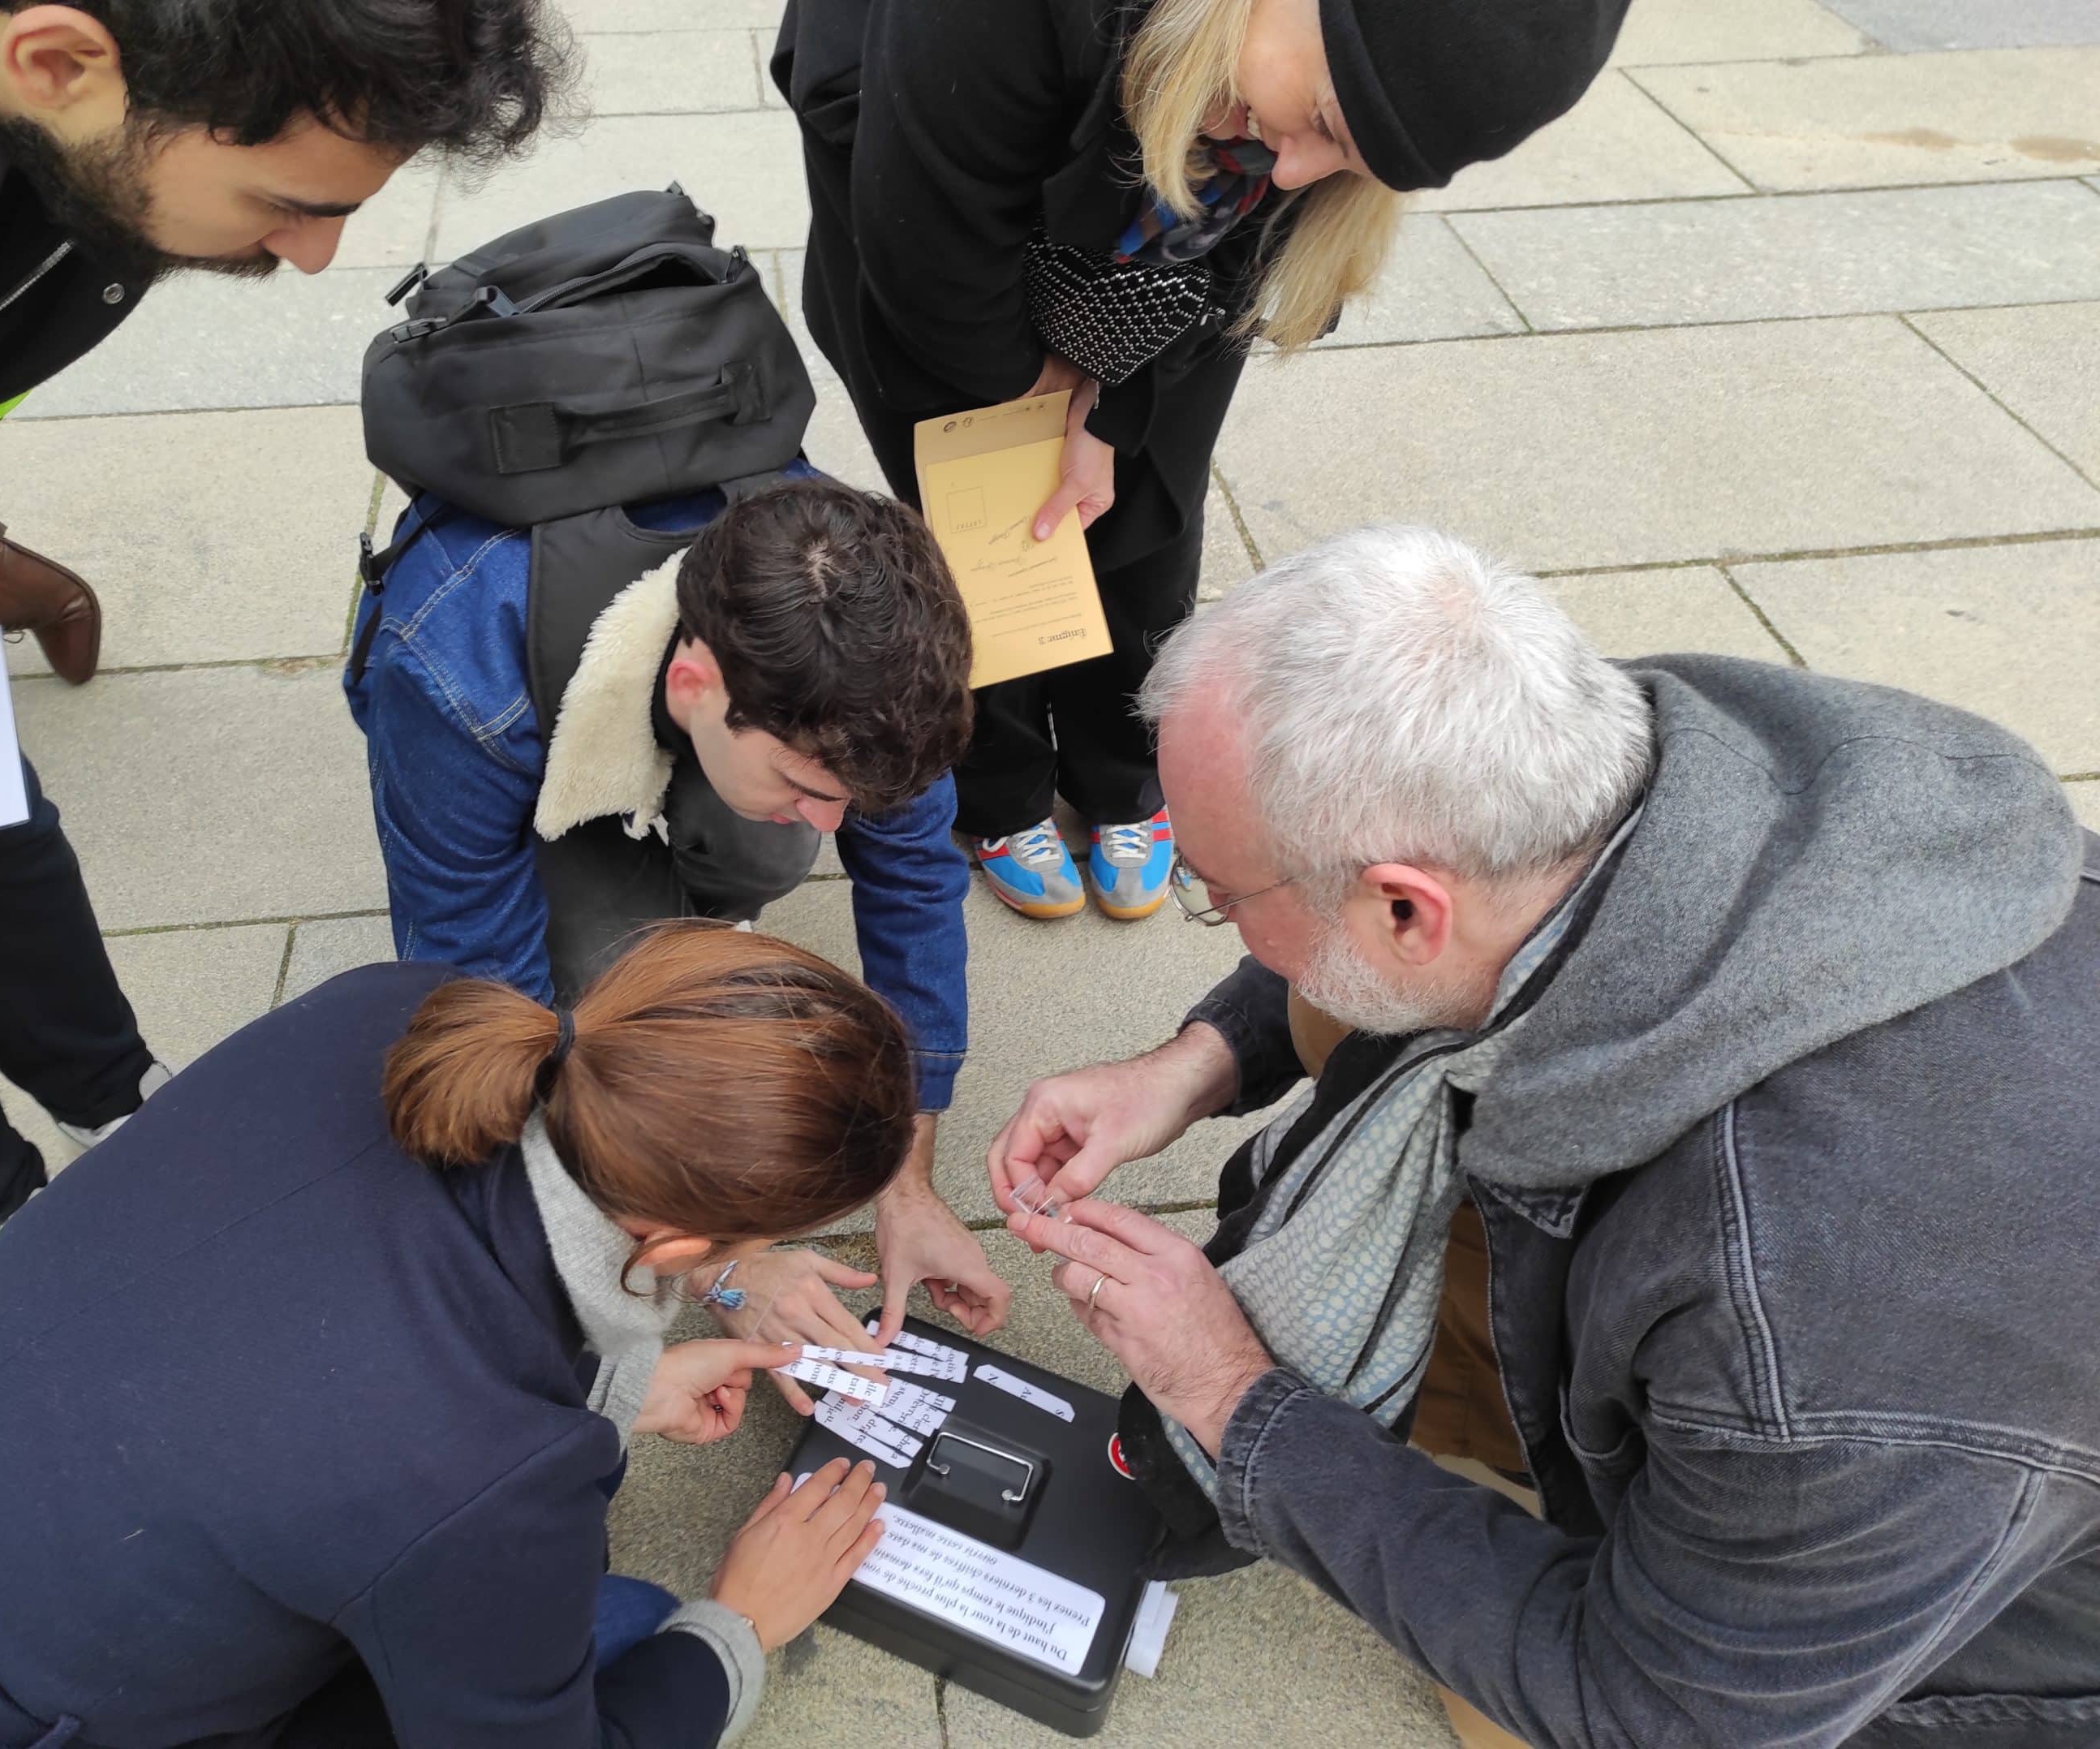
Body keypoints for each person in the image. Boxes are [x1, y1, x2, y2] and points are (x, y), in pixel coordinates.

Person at [988, 528, 2100, 1747]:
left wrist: (1229, 1388)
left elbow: (1648, 1707)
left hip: (1965, 1653)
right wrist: (1193, 1065)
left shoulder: (1798, 1340)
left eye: (1221, 891)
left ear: (1406, 907)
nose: (1217, 916)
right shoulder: (1641, 752)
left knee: (1504, 1699)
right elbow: (1403, 926)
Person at [0, 0, 567, 1259]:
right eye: (285, 202)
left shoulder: (79, 153)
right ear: (60, 59)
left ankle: (123, 1108)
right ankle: (10, 1232)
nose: (314, 254)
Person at [0, 922, 907, 1747]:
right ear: (671, 1244)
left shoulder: (400, 1004)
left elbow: (351, 1310)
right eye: (742, 1248)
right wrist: (746, 1616)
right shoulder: (487, 1473)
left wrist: (623, 1380)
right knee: (647, 1635)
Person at [773, 0, 1624, 925]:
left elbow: (1240, 253)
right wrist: (1037, 397)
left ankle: (1127, 777)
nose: (1295, 168)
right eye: (1328, 124)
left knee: (1147, 517)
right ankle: (1003, 791)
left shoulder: (1293, 111)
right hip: (928, 226)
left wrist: (1113, 405)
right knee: (989, 531)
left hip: (1157, 276)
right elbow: (929, 256)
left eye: (1349, 154)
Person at [346, 472, 1017, 1364]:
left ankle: (709, 856)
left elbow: (915, 879)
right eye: (810, 787)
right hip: (506, 707)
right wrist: (716, 1259)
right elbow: (470, 989)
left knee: (771, 842)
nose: (833, 826)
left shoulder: (868, 643)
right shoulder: (457, 680)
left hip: (665, 704)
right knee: (592, 968)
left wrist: (908, 1183)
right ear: (697, 682)